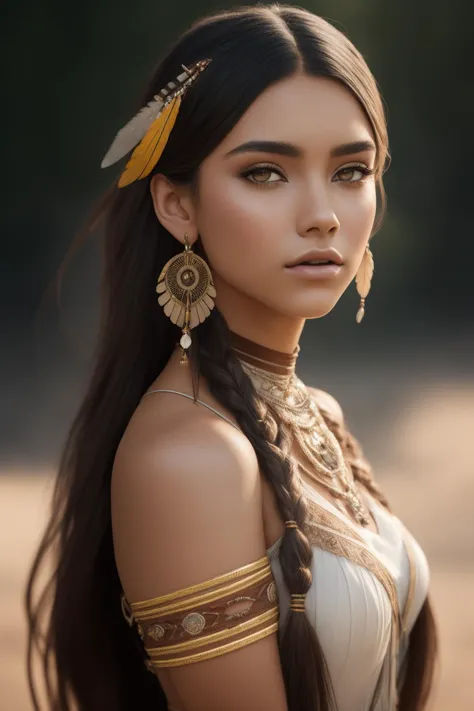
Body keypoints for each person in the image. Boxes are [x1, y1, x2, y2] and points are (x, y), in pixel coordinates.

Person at [25, 4, 439, 710]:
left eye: (351, 170)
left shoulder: (318, 415)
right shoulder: (190, 456)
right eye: (267, 174)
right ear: (177, 205)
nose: (323, 214)